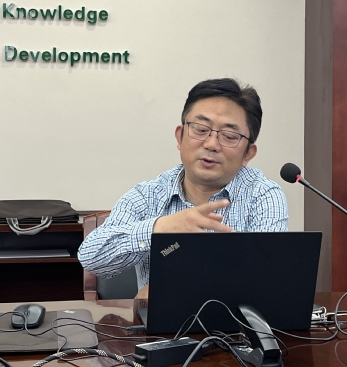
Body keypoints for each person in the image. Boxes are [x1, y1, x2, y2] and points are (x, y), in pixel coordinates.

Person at [78, 78, 288, 294]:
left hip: (234, 317)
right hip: (159, 317)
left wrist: (169, 289)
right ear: (180, 137)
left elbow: (268, 278)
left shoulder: (262, 195)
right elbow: (92, 259)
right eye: (200, 129)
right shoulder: (147, 195)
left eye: (229, 136)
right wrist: (161, 227)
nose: (211, 144)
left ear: (248, 154)